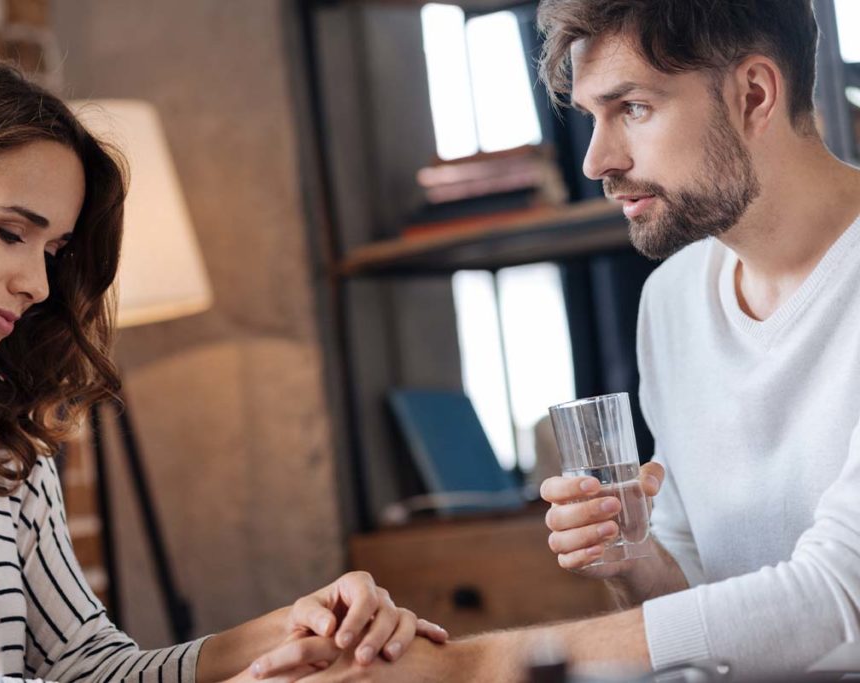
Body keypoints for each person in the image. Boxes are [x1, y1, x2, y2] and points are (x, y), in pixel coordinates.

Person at [273, 0, 860, 679]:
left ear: (753, 93)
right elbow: (705, 617)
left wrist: (465, 664)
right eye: (591, 117)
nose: (595, 160)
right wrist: (632, 555)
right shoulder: (672, 300)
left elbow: (835, 596)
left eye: (632, 108)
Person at [0, 59, 450, 683]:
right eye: (10, 232)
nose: (38, 285)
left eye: (52, 252)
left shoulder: (0, 445)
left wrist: (297, 629)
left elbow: (88, 664)